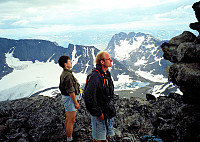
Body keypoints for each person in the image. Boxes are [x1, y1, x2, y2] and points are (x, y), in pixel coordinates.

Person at [84, 51, 116, 142]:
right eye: (109, 59)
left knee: (104, 137)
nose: (111, 60)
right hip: (100, 113)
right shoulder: (95, 76)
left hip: (107, 112)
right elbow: (88, 97)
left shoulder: (106, 74)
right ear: (102, 62)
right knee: (99, 139)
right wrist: (98, 113)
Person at [58, 55, 80, 142]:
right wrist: (75, 103)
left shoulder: (64, 73)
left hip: (66, 98)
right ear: (65, 64)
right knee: (72, 120)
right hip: (70, 99)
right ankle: (69, 139)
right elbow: (71, 91)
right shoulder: (68, 75)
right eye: (69, 61)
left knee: (68, 118)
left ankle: (68, 136)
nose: (71, 62)